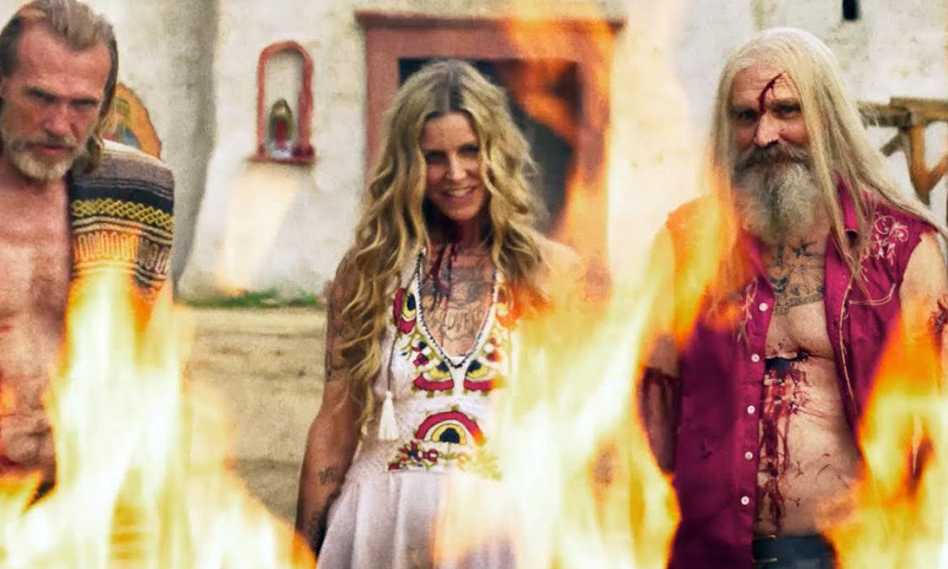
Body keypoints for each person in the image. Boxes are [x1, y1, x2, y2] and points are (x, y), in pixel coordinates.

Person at [641, 27, 948, 569]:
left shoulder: (903, 250)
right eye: (745, 116)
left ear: (826, 116)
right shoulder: (687, 245)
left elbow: (940, 429)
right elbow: (650, 417)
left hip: (859, 556)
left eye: (786, 110)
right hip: (707, 556)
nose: (765, 135)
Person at [295, 59, 580, 568]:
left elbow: (578, 428)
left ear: (497, 152)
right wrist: (301, 554)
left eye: (470, 150)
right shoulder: (371, 270)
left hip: (504, 533)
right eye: (434, 157)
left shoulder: (549, 273)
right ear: (408, 165)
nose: (455, 173)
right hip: (381, 529)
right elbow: (335, 426)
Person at [0, 0, 173, 485]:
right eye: (40, 97)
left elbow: (157, 350)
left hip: (86, 495)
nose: (60, 126)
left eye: (83, 104)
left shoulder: (137, 192)